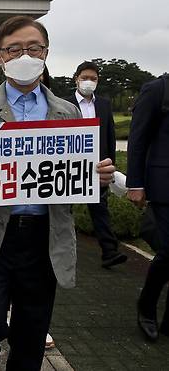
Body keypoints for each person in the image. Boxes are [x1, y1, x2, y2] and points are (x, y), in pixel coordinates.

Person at [0, 15, 115, 371]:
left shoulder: (66, 113)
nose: (25, 56)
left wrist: (98, 175)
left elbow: (80, 170)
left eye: (33, 48)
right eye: (14, 49)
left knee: (30, 336)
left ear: (46, 53)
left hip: (44, 239)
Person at [67, 61, 127, 268]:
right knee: (64, 208)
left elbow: (109, 135)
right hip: (70, 165)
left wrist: (112, 165)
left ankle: (110, 251)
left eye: (93, 79)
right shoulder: (64, 104)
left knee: (100, 208)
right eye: (85, 78)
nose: (89, 82)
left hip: (96, 167)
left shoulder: (103, 104)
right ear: (76, 78)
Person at [127, 73, 169, 342]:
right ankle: (147, 305)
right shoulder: (158, 90)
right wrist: (135, 182)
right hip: (164, 184)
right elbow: (138, 138)